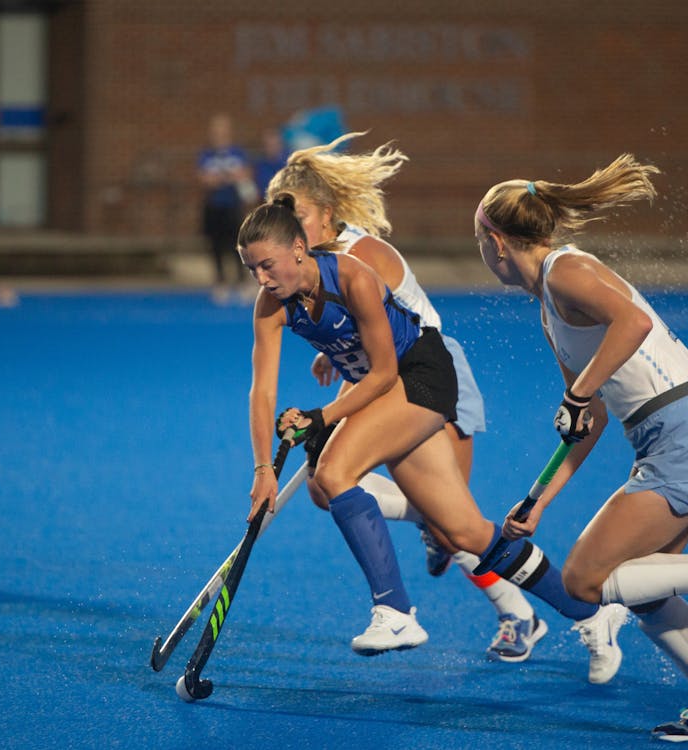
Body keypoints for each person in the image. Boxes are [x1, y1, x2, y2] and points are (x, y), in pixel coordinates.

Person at [238, 195, 628, 684]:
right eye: (251, 268)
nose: (261, 278)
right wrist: (262, 470)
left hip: (420, 375)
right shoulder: (271, 304)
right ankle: (590, 613)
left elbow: (381, 374)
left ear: (299, 249)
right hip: (384, 391)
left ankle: (395, 613)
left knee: (333, 472)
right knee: (460, 532)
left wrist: (324, 418)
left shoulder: (353, 276)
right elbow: (262, 390)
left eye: (267, 265)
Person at [473, 155, 688, 741]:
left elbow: (633, 324)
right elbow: (584, 420)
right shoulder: (549, 305)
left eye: (480, 243)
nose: (482, 257)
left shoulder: (566, 270)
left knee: (585, 581)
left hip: (686, 431)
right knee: (648, 589)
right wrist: (538, 499)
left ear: (496, 241)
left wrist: (579, 388)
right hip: (673, 434)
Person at [197, 113, 254, 304]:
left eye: (222, 130)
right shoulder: (207, 154)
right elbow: (205, 179)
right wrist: (226, 177)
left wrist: (224, 178)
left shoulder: (237, 153)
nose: (219, 133)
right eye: (216, 130)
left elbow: (245, 174)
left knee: (237, 245)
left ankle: (241, 281)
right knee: (215, 245)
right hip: (214, 206)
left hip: (233, 205)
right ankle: (220, 282)